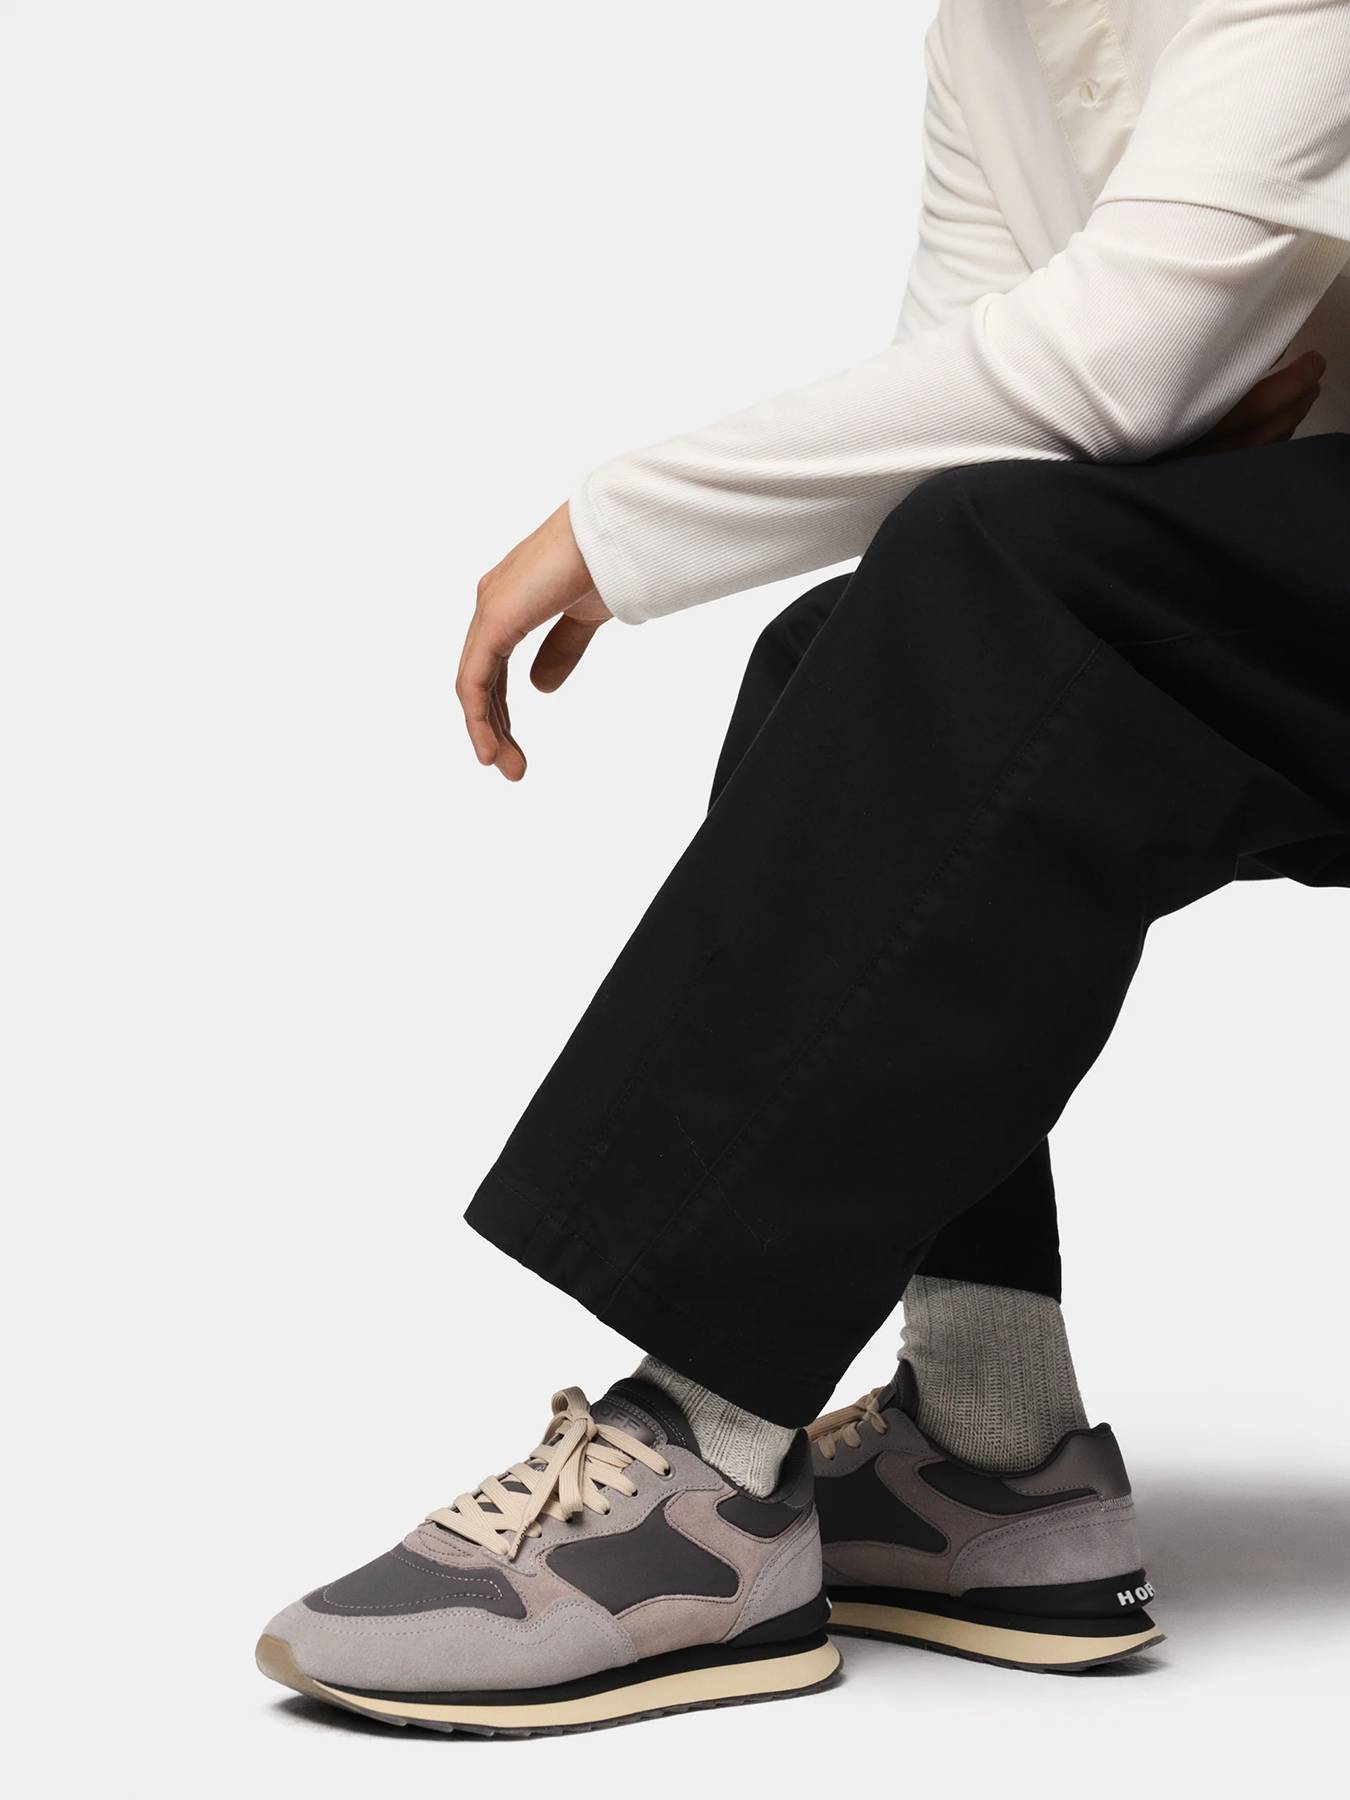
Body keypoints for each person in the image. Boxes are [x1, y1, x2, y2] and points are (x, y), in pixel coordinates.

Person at [256, 0, 1350, 1733]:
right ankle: (990, 1449)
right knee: (878, 638)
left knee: (989, 581)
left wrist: (611, 525)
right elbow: (979, 444)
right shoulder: (989, 30)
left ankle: (700, 1451)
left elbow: (1116, 367)